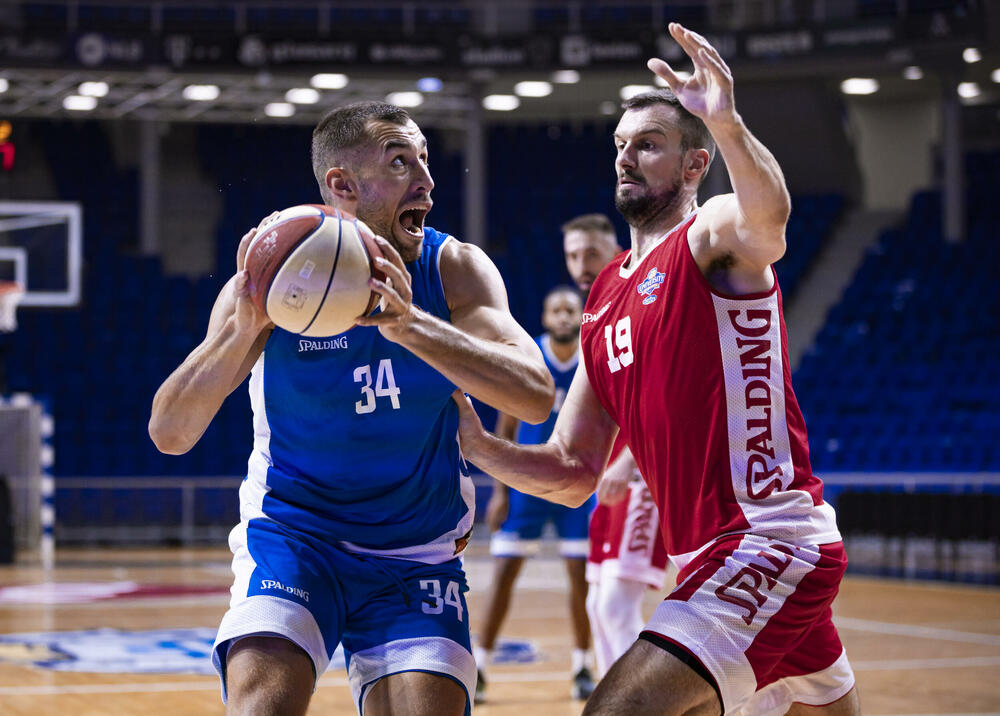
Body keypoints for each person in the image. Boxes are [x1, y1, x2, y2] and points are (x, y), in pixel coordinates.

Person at [452, 23, 860, 716]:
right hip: (705, 557)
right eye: (620, 145)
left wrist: (725, 122)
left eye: (647, 144)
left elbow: (770, 221)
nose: (626, 157)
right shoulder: (605, 294)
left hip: (766, 542)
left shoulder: (708, 238)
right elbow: (573, 467)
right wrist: (479, 448)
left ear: (694, 165)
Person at [148, 101, 554, 716]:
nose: (426, 178)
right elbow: (170, 432)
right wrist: (244, 327)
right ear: (341, 185)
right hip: (295, 533)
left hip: (416, 552)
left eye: (424, 157)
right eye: (400, 161)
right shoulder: (272, 277)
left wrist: (412, 326)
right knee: (263, 704)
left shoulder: (453, 268)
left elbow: (534, 392)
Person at [474, 285, 596, 703]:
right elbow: (506, 429)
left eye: (570, 310)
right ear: (545, 318)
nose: (563, 316)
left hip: (576, 485)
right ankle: (480, 667)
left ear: (580, 317)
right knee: (504, 577)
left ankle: (582, 667)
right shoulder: (530, 357)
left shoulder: (592, 359)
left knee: (582, 582)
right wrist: (499, 495)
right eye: (555, 309)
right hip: (527, 485)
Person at [563, 214, 671, 679]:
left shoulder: (645, 291)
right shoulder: (599, 310)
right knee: (597, 605)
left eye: (590, 252)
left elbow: (666, 393)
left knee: (615, 606)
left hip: (642, 471)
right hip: (610, 477)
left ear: (614, 249)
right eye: (572, 255)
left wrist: (628, 462)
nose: (581, 264)